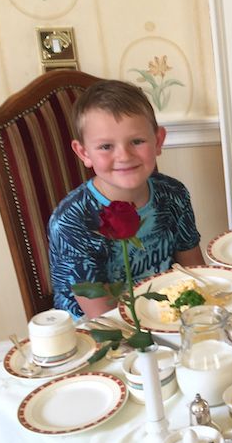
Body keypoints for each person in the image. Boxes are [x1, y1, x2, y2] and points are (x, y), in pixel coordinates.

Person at [49, 79, 205, 319]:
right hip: (100, 334)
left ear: (158, 141)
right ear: (83, 153)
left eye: (136, 141)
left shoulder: (173, 194)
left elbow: (194, 273)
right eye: (106, 146)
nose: (124, 156)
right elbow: (102, 316)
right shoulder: (72, 220)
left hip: (169, 317)